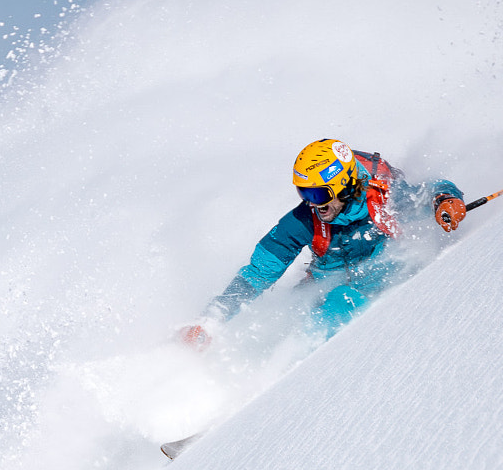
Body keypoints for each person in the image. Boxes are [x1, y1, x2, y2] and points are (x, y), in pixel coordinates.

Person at [180, 138, 466, 348]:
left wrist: (446, 199)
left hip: (383, 281)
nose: (311, 203)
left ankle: (291, 372)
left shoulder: (382, 197)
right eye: (303, 192)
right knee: (287, 318)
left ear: (343, 184)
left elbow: (429, 190)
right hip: (324, 282)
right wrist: (211, 319)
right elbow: (256, 275)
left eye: (317, 194)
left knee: (336, 305)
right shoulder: (303, 220)